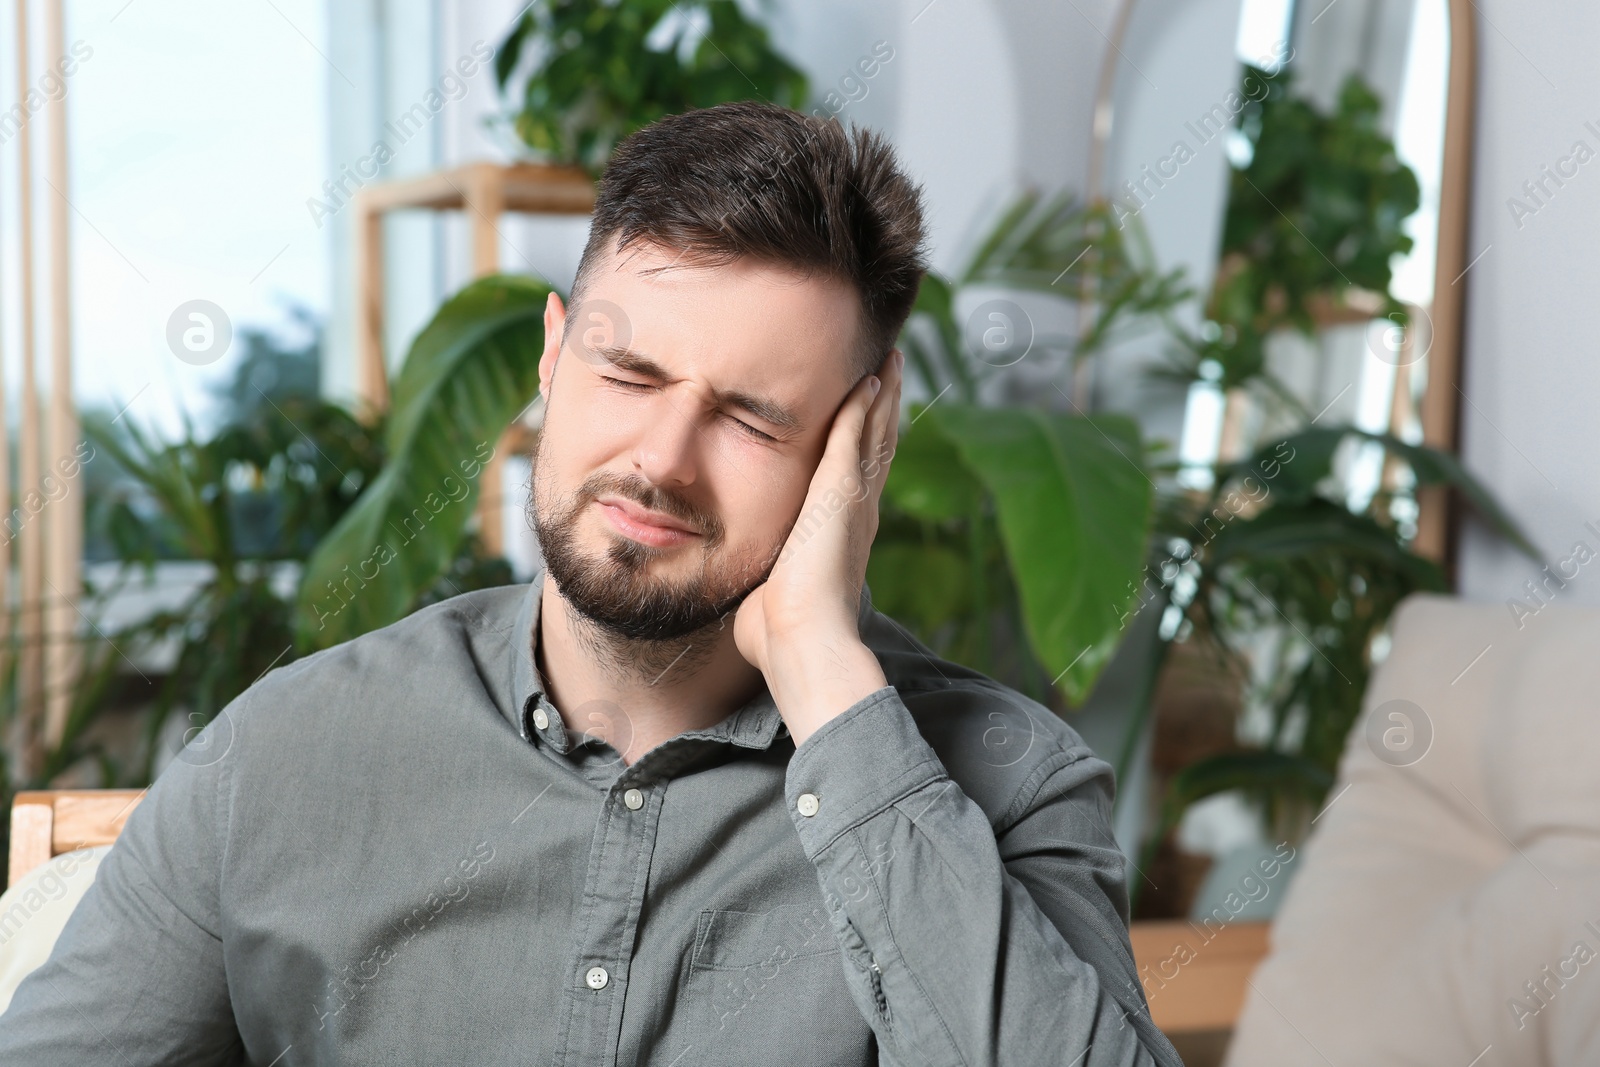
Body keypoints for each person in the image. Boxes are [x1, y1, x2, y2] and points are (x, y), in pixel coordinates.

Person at [0, 101, 1180, 1066]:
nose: (660, 462)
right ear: (553, 357)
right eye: (628, 372)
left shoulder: (1011, 786)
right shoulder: (277, 759)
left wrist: (826, 673)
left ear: (853, 454)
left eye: (750, 418)